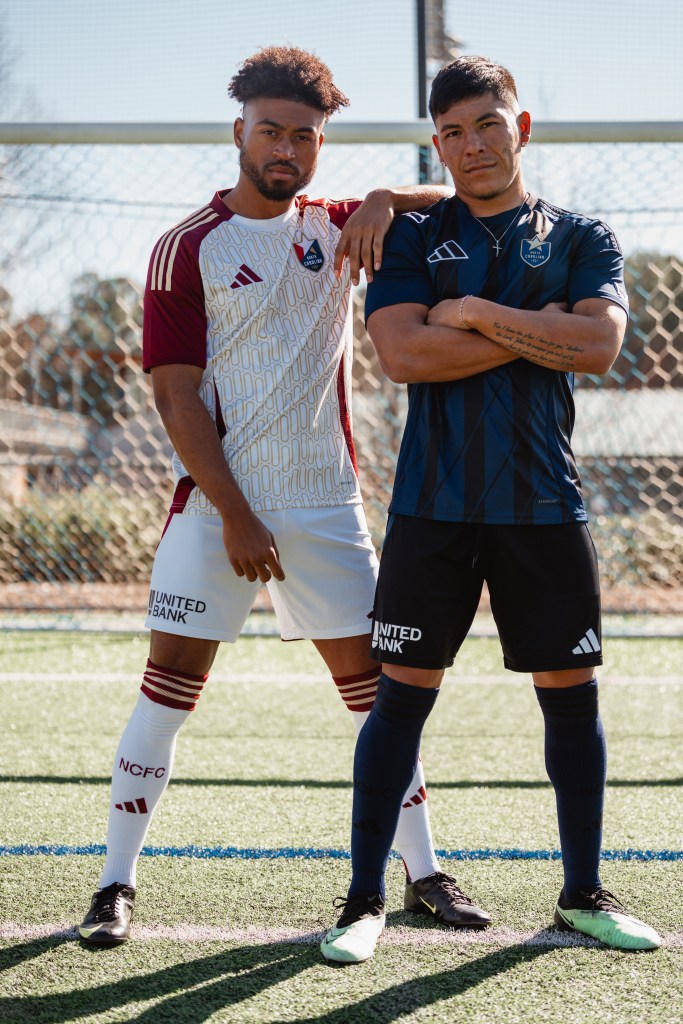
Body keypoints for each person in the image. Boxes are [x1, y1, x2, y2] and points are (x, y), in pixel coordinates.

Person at [78, 46, 492, 947]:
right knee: (168, 691)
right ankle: (114, 885)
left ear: (317, 145)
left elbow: (446, 201)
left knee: (378, 698)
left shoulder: (338, 225)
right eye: (271, 130)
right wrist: (234, 512)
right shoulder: (186, 247)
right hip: (219, 507)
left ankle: (423, 874)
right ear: (239, 132)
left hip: (324, 505)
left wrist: (384, 198)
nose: (287, 149)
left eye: (304, 136)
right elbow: (175, 396)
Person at [321, 55, 661, 964]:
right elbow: (402, 357)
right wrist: (529, 330)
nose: (472, 145)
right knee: (400, 703)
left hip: (544, 505)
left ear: (522, 125)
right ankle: (362, 901)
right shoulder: (410, 235)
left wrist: (466, 311)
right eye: (452, 132)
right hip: (432, 508)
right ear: (436, 143)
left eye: (487, 123)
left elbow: (596, 347)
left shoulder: (583, 233)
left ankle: (583, 894)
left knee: (570, 698)